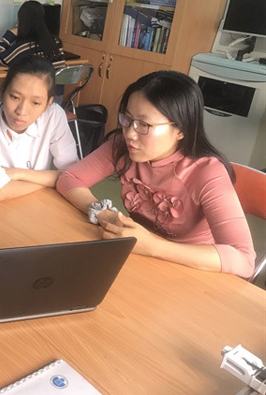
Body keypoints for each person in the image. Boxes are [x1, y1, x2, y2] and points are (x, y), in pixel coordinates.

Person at [56, 71, 256, 278]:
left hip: (191, 272)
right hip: (138, 258)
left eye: (144, 125)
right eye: (127, 119)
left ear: (181, 130)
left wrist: (154, 246)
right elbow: (70, 178)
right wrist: (102, 213)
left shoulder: (206, 172)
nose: (130, 133)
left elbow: (244, 259)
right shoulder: (121, 146)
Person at [0, 56, 78, 201]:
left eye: (36, 102)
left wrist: (19, 173)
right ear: (2, 93)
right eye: (15, 97)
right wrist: (53, 182)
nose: (22, 111)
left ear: (48, 104)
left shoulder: (54, 115)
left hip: (38, 202)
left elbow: (72, 175)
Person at [0, 0, 67, 68]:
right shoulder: (56, 42)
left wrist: (9, 35)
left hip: (37, 83)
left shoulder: (24, 47)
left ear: (22, 21)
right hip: (52, 83)